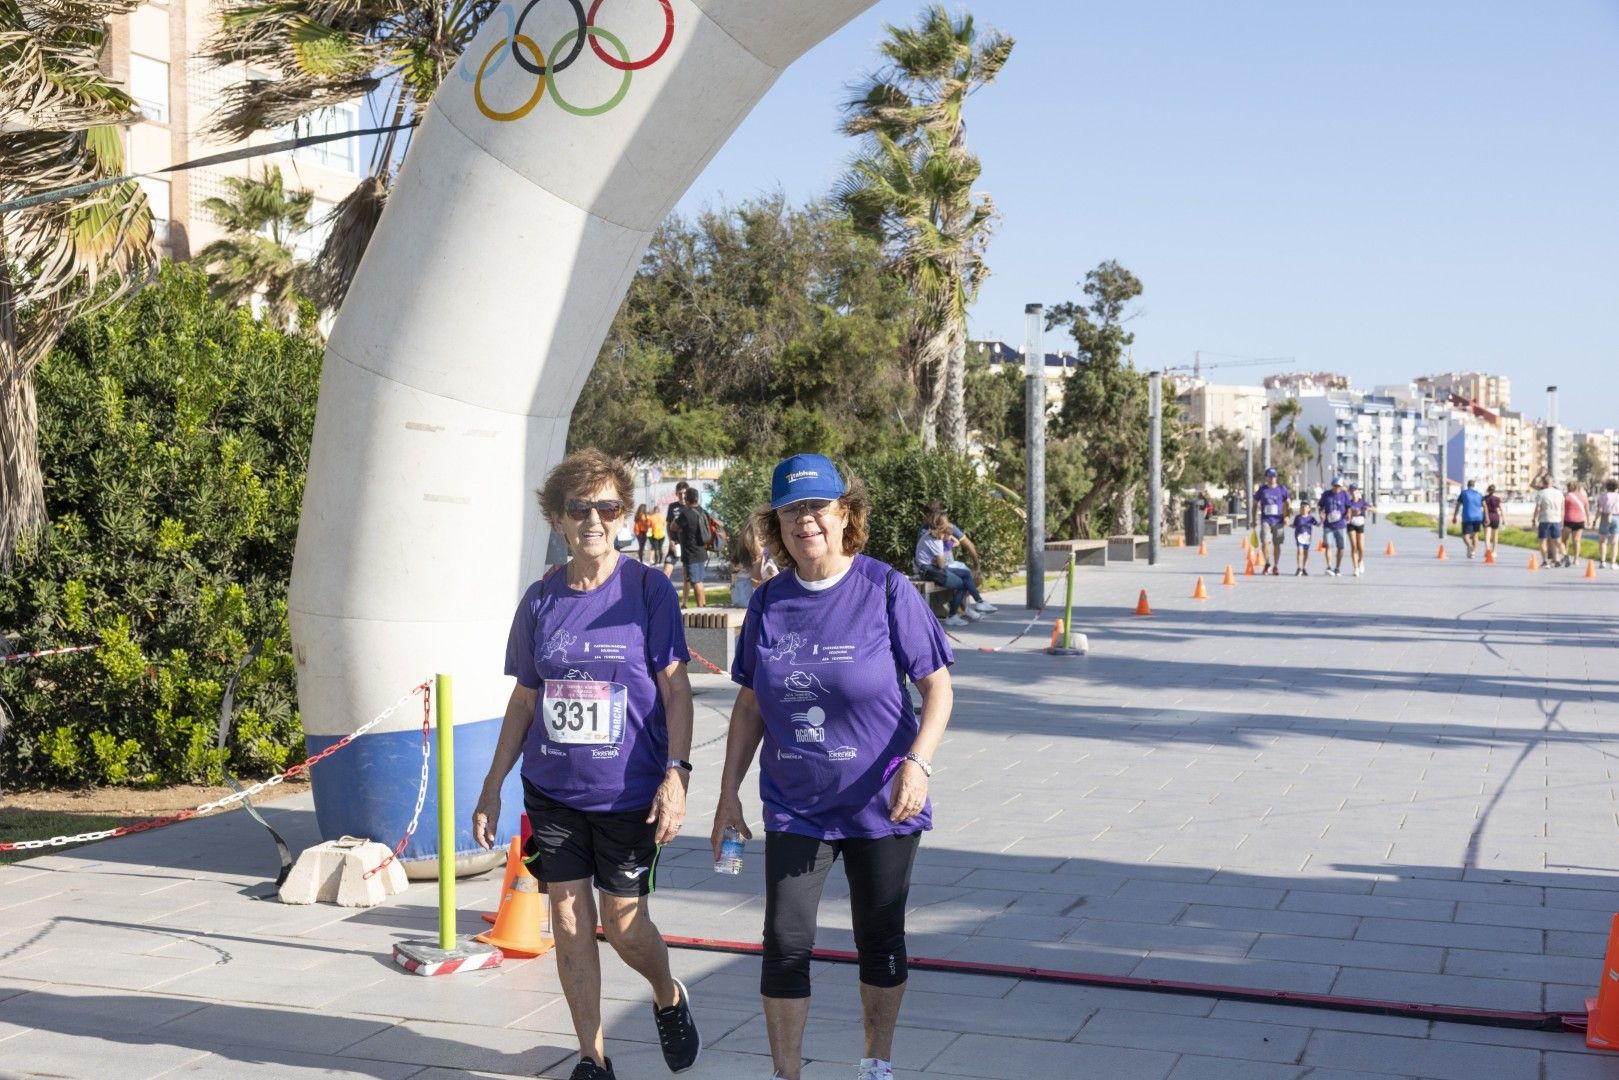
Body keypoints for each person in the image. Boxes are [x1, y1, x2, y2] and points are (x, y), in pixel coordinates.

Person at [711, 453, 954, 1080]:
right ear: (777, 526)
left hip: (882, 799)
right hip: (797, 803)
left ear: (846, 514)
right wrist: (727, 793)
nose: (805, 522)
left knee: (879, 941)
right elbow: (749, 705)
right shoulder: (769, 602)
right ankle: (786, 1075)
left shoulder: (885, 587)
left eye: (817, 507)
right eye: (791, 511)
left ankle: (876, 1063)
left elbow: (939, 689)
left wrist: (919, 765)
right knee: (785, 945)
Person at [473, 449, 701, 1080]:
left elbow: (676, 689)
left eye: (606, 507)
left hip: (629, 790)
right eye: (580, 508)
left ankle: (667, 994)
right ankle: (592, 1060)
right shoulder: (541, 598)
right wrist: (492, 786)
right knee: (570, 919)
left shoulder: (648, 591)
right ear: (559, 518)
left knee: (624, 927)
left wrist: (676, 774)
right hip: (553, 790)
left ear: (623, 515)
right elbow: (525, 697)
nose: (593, 520)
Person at [914, 512, 984, 627]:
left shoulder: (931, 535)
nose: (949, 524)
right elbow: (941, 565)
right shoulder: (936, 542)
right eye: (946, 523)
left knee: (966, 573)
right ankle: (952, 616)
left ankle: (971, 605)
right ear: (941, 526)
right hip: (928, 572)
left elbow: (940, 564)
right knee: (961, 585)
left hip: (932, 568)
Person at [731, 520, 779, 610]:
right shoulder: (743, 559)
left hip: (751, 601)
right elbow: (754, 583)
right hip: (746, 601)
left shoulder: (769, 558)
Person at [675, 486, 711, 608]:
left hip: (691, 554)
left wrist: (681, 528)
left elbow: (673, 527)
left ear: (687, 499)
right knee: (699, 580)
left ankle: (701, 608)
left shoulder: (686, 514)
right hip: (702, 551)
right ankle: (703, 605)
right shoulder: (702, 510)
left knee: (696, 581)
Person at [1253, 468, 1290, 576]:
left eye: (1274, 476)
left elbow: (1287, 503)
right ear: (1266, 477)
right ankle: (1267, 563)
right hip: (1266, 520)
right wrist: (1253, 519)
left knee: (1277, 544)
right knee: (1265, 542)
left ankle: (1276, 566)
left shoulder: (1282, 489)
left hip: (1278, 520)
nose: (1272, 478)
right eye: (1270, 476)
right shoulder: (1262, 489)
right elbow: (1255, 504)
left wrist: (1287, 516)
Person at [1317, 478, 1351, 576]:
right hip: (1328, 525)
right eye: (1335, 486)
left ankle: (1337, 568)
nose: (1337, 488)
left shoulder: (1344, 494)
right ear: (1332, 485)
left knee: (1341, 547)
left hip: (1341, 525)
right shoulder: (1326, 494)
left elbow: (1348, 506)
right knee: (1328, 544)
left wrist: (1348, 514)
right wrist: (1321, 513)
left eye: (1339, 486)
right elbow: (1320, 506)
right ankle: (1329, 566)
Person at [1532, 475, 1565, 568]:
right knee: (1558, 541)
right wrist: (1561, 520)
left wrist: (1534, 519)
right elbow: (1562, 508)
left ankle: (1545, 561)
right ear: (1552, 483)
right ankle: (1564, 556)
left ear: (1543, 483)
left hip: (1544, 519)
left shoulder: (1541, 493)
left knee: (1543, 541)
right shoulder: (1559, 493)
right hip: (1556, 519)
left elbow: (1538, 508)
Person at [1344, 482, 1376, 577]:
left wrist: (1367, 509)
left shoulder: (1362, 502)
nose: (1354, 492)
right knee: (1354, 547)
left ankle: (1360, 561)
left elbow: (1375, 510)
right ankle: (1356, 568)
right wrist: (1348, 515)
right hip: (1351, 524)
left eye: (1355, 490)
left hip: (1360, 525)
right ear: (1349, 492)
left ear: (1358, 491)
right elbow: (1344, 513)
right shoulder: (1348, 503)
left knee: (1361, 548)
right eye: (1352, 490)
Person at [1451, 479, 1486, 559]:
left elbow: (1458, 505)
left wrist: (1455, 516)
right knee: (1475, 536)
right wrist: (1486, 517)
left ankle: (1470, 546)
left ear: (1467, 485)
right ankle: (1473, 552)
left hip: (1467, 517)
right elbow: (1484, 506)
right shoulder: (1479, 494)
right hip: (1478, 517)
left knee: (1465, 536)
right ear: (1474, 486)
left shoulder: (1464, 493)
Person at [662, 481, 690, 580]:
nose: (682, 496)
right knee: (665, 573)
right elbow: (668, 525)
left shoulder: (690, 507)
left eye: (684, 493)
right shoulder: (672, 506)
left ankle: (685, 596)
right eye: (680, 493)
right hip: (675, 544)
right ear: (676, 494)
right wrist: (671, 540)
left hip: (688, 545)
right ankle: (664, 594)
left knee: (686, 576)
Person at [1564, 481, 1589, 569]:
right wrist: (1588, 520)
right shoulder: (1583, 496)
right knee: (1577, 540)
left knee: (1564, 540)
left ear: (1569, 487)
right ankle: (1576, 559)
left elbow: (1562, 509)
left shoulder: (1567, 496)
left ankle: (1565, 556)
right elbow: (1587, 509)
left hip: (1568, 520)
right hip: (1580, 520)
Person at [1596, 479, 1619, 570]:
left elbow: (1600, 509)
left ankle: (1603, 561)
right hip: (1616, 517)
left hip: (1605, 517)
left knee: (1602, 540)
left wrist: (1595, 520)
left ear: (1606, 486)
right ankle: (1613, 563)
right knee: (1614, 542)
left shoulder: (1602, 496)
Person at [1293, 500, 1319, 576]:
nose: (1303, 508)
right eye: (1302, 507)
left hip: (1307, 538)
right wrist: (1287, 524)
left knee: (1305, 553)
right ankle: (1299, 568)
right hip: (1299, 537)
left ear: (1309, 509)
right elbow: (1294, 525)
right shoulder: (1298, 517)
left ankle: (1304, 567)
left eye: (1305, 507)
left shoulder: (1311, 518)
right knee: (1299, 551)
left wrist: (1322, 520)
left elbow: (1318, 525)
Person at [1483, 484, 1504, 556]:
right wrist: (1504, 519)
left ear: (1488, 490)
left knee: (1487, 536)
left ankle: (1487, 550)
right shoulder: (1497, 499)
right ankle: (1494, 552)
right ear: (1494, 491)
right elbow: (1501, 509)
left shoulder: (1484, 498)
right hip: (1495, 517)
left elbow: (1483, 507)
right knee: (1495, 536)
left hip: (1487, 517)